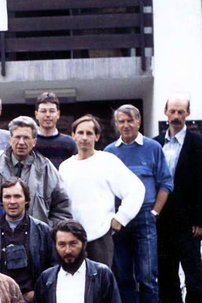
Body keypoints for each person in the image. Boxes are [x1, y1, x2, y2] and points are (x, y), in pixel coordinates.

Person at [104, 104, 173, 303]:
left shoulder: (153, 148)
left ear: (139, 121)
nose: (125, 125)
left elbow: (165, 183)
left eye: (129, 121)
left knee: (147, 275)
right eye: (121, 121)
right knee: (122, 275)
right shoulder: (109, 151)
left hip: (144, 218)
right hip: (119, 220)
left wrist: (154, 212)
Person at [59, 115, 144, 269]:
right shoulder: (65, 166)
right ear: (73, 135)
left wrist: (121, 218)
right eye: (80, 133)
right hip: (73, 237)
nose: (85, 137)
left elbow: (136, 189)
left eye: (89, 133)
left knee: (102, 284)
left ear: (97, 136)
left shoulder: (107, 161)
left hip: (100, 235)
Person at [153, 94, 202, 303]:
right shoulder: (154, 144)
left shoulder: (198, 143)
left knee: (193, 272)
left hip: (189, 222)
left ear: (188, 113)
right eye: (172, 111)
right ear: (165, 112)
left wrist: (200, 220)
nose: (176, 116)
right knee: (166, 272)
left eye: (181, 112)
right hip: (160, 221)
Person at [0, 116, 72, 227]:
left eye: (26, 138)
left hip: (36, 238)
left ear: (34, 142)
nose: (21, 142)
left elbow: (62, 207)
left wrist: (47, 230)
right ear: (10, 140)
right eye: (17, 137)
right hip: (0, 236)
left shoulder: (45, 168)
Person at [33, 92, 77, 168]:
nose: (47, 115)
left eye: (52, 111)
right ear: (36, 114)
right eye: (43, 111)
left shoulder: (70, 143)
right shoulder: (30, 143)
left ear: (58, 114)